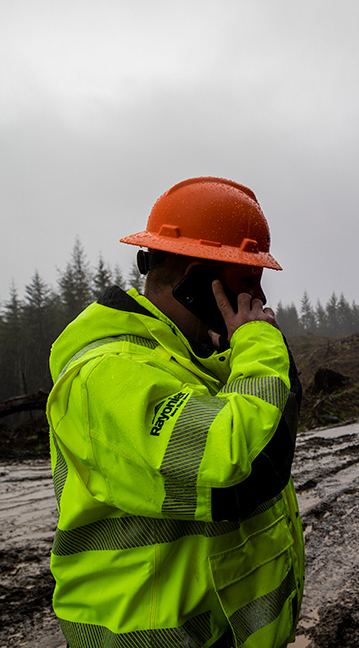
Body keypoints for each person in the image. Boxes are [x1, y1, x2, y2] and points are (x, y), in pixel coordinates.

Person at [45, 176, 304, 647]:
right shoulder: (109, 373)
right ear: (198, 282)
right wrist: (262, 345)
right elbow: (241, 468)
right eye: (248, 283)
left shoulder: (188, 363)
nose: (259, 302)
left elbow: (265, 427)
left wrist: (244, 351)